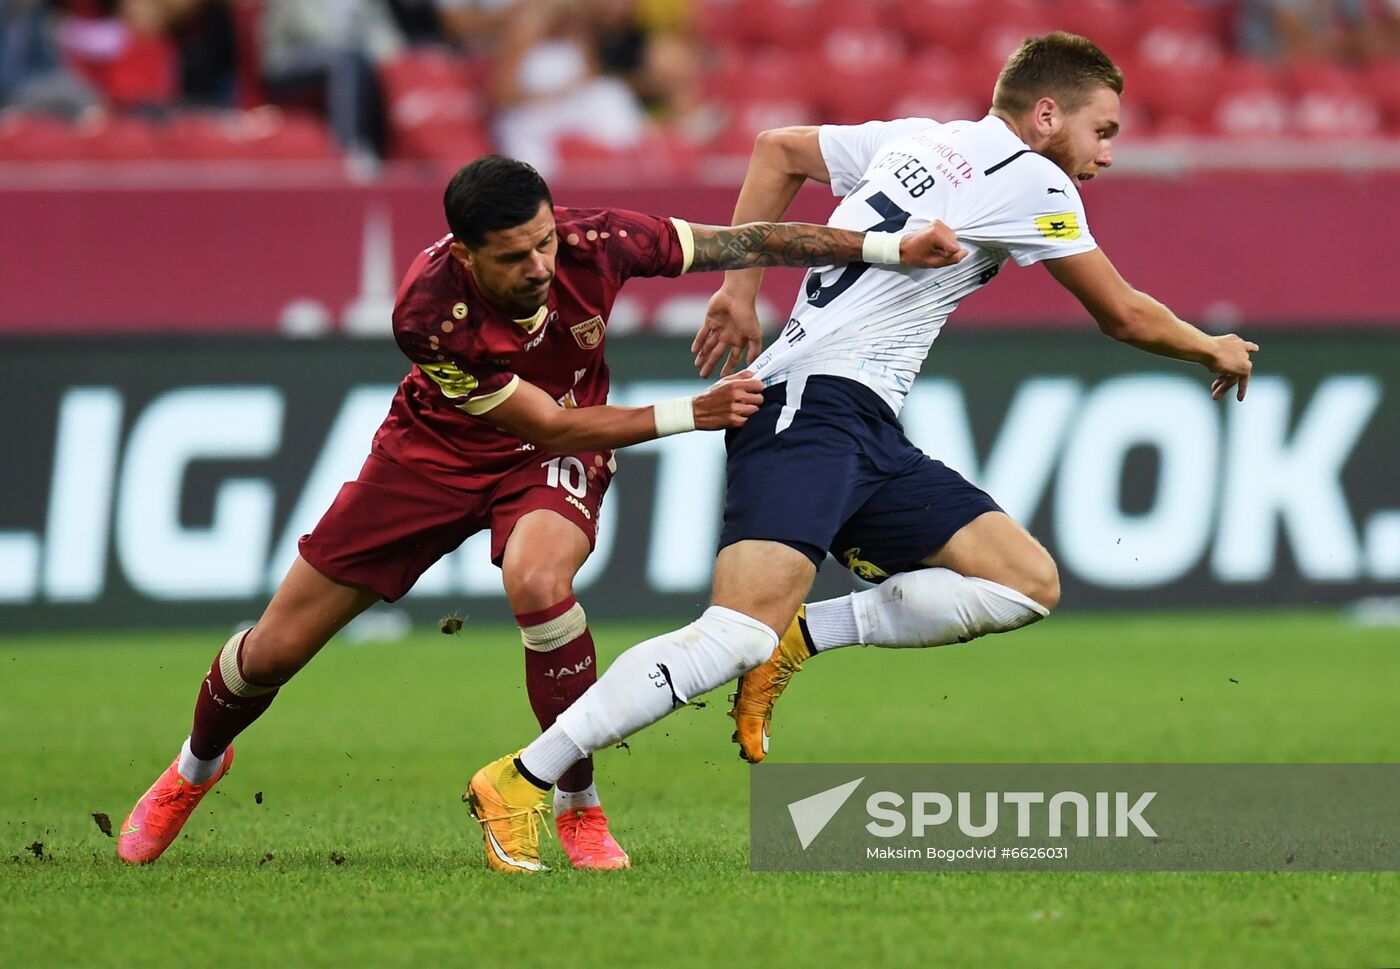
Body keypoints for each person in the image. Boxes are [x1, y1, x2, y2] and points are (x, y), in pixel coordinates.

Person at [467, 32, 1259, 871]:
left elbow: (779, 151)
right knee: (732, 632)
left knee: (1025, 582)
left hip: (861, 421)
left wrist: (740, 293)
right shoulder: (1034, 179)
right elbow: (1123, 313)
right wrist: (1212, 346)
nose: (1106, 154)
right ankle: (520, 777)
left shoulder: (916, 138)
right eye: (1102, 130)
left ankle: (801, 635)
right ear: (1048, 112)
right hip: (810, 406)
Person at [116, 153, 967, 871]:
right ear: (465, 253)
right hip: (431, 456)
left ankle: (576, 801)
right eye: (515, 255)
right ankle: (194, 767)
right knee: (275, 647)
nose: (539, 266)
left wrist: (893, 246)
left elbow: (751, 240)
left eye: (545, 241)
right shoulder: (427, 312)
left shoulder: (600, 241)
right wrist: (690, 413)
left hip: (555, 458)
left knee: (538, 575)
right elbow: (544, 417)